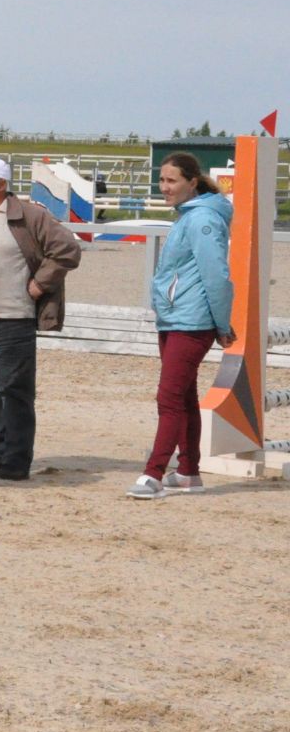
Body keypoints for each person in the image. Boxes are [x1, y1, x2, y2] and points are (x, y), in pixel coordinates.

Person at [0, 155, 83, 481]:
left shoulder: (30, 216)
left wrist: (42, 282)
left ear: (1, 185)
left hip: (13, 320)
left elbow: (68, 250)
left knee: (14, 391)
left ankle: (16, 459)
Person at [130, 152, 234, 499]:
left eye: (171, 181)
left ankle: (153, 473)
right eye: (162, 180)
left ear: (192, 181)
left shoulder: (202, 219)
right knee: (185, 397)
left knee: (169, 397)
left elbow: (217, 275)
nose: (165, 187)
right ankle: (188, 472)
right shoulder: (189, 216)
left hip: (192, 321)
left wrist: (221, 324)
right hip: (176, 317)